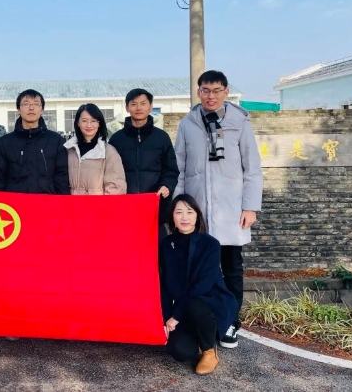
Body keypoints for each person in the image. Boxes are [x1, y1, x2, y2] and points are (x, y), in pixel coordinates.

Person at [173, 70, 263, 349]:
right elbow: (179, 168)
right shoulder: (188, 124)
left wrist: (250, 206)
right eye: (205, 90)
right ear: (198, 92)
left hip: (230, 209)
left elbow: (252, 168)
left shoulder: (239, 123)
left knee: (231, 268)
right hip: (198, 211)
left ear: (226, 92)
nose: (210, 96)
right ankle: (201, 320)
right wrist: (178, 208)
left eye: (216, 91)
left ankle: (230, 323)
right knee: (199, 269)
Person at [160, 194, 237, 376]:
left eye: (189, 212)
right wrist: (164, 320)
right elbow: (165, 284)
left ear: (197, 216)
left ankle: (209, 351)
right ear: (172, 216)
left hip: (209, 302)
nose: (184, 217)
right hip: (184, 307)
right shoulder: (167, 244)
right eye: (179, 212)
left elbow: (203, 285)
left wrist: (176, 317)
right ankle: (198, 340)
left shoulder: (210, 244)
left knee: (195, 303)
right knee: (179, 351)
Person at [108, 88, 179, 224]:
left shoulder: (161, 137)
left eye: (143, 103)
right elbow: (109, 171)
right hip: (125, 206)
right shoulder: (116, 139)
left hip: (156, 204)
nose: (139, 108)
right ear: (127, 108)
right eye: (134, 104)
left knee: (157, 237)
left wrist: (166, 185)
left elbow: (171, 169)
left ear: (151, 107)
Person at [0, 89, 69, 195]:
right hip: (14, 203)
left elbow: (62, 178)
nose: (31, 108)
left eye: (36, 104)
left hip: (47, 202)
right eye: (26, 104)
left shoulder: (56, 141)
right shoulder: (4, 143)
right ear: (18, 109)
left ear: (42, 110)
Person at [63, 103, 127, 195]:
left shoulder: (109, 152)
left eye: (93, 121)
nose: (89, 125)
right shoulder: (69, 149)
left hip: (97, 203)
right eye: (84, 121)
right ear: (78, 123)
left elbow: (115, 188)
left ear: (99, 123)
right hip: (72, 203)